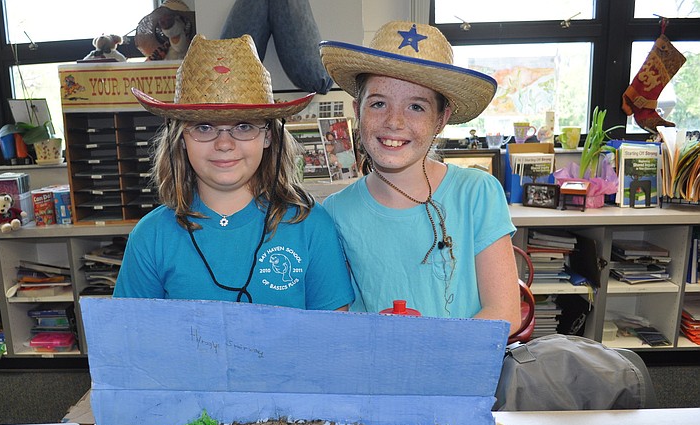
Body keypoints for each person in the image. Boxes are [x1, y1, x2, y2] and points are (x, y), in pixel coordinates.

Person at [114, 34, 354, 311]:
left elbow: (332, 340)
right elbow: (134, 340)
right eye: (204, 127)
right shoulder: (152, 236)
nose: (224, 144)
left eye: (243, 126)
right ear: (181, 139)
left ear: (268, 137)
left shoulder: (311, 226)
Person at [319, 22, 521, 331]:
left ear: (441, 119)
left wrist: (431, 360)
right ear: (357, 110)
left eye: (416, 106)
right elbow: (338, 319)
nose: (394, 121)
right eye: (378, 104)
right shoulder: (335, 212)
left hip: (464, 371)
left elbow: (505, 310)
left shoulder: (477, 193)